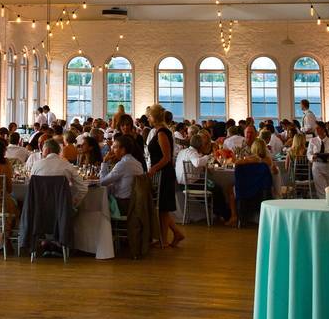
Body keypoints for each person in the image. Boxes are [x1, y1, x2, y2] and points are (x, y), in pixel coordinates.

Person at [175, 134, 234, 225]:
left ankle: (221, 213)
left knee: (214, 188)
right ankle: (227, 215)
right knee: (217, 189)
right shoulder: (192, 153)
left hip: (182, 183)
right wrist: (209, 156)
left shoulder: (183, 151)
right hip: (190, 184)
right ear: (200, 145)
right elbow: (197, 163)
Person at [146, 104, 183, 248]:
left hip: (164, 173)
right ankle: (168, 237)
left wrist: (153, 169)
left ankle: (164, 240)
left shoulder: (161, 133)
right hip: (162, 172)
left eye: (149, 115)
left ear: (154, 117)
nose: (148, 118)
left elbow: (166, 157)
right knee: (162, 208)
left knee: (163, 208)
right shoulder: (159, 131)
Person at [30, 138, 88, 206]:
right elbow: (83, 188)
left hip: (39, 208)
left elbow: (31, 187)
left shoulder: (36, 165)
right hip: (62, 209)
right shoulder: (67, 165)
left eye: (43, 150)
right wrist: (73, 202)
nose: (42, 153)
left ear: (47, 150)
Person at [99, 135, 143, 213]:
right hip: (136, 203)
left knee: (97, 204)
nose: (113, 150)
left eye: (115, 147)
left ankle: (105, 225)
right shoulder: (137, 163)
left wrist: (104, 162)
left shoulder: (123, 164)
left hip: (123, 204)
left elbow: (102, 182)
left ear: (123, 150)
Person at [307, 122, 329, 195]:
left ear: (323, 129)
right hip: (317, 165)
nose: (316, 130)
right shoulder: (313, 140)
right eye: (316, 128)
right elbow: (308, 153)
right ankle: (323, 204)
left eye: (318, 128)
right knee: (320, 189)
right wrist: (312, 157)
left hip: (328, 165)